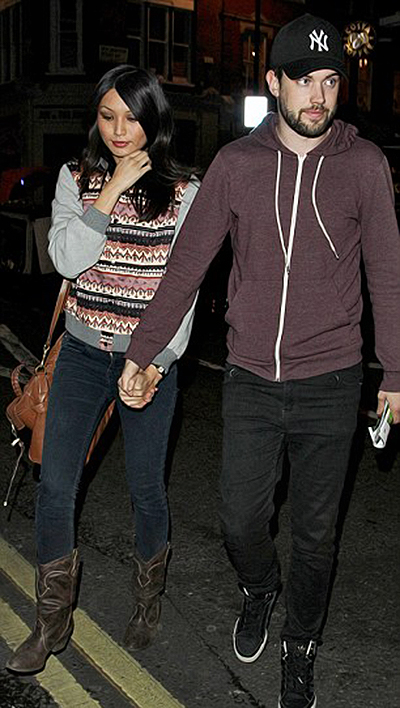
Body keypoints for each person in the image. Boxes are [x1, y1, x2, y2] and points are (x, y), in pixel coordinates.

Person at [117, 14, 400, 708]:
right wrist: (143, 351)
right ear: (274, 82)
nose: (318, 95)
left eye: (330, 81)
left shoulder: (364, 165)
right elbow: (188, 265)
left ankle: (300, 645)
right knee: (241, 521)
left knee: (316, 535)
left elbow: (387, 273)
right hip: (250, 374)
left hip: (332, 378)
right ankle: (259, 587)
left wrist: (395, 371)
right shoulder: (236, 165)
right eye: (304, 80)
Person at [6, 65, 200, 675]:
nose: (119, 130)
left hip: (147, 359)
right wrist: (110, 190)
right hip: (84, 355)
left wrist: (157, 362)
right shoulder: (75, 178)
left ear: (154, 120)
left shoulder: (185, 192)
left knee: (146, 487)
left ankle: (148, 598)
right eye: (107, 115)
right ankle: (50, 624)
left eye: (132, 118)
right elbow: (67, 259)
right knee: (55, 485)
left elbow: (184, 291)